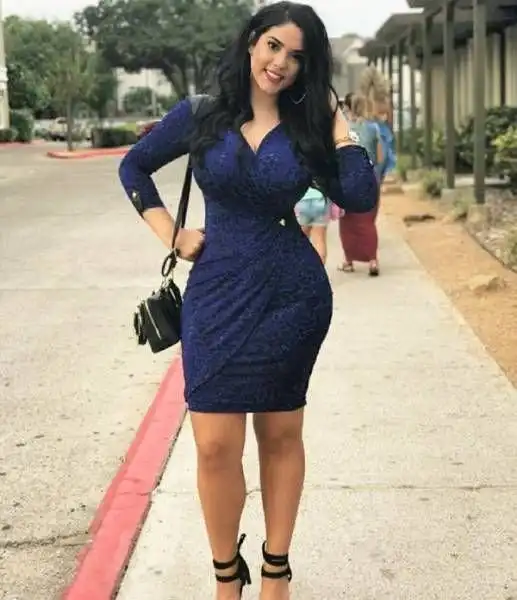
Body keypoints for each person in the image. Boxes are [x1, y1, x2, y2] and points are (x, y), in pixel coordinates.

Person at [118, 3, 378, 599]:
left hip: (291, 297)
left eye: (297, 57)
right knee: (214, 445)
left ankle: (276, 571)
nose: (281, 63)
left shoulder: (307, 127)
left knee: (281, 435)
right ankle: (225, 574)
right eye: (274, 46)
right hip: (215, 293)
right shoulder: (202, 114)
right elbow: (135, 166)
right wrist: (171, 233)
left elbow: (360, 194)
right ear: (252, 42)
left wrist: (338, 126)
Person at [338, 94, 382, 276]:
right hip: (369, 176)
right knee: (367, 221)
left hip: (347, 177)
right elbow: (380, 157)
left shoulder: (342, 128)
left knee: (347, 222)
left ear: (348, 107)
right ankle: (373, 261)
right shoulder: (373, 128)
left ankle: (348, 261)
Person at [294, 185, 330, 264]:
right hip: (321, 199)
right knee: (319, 240)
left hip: (302, 200)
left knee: (301, 240)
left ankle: (302, 267)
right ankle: (319, 269)